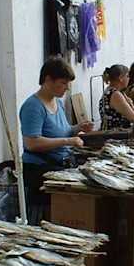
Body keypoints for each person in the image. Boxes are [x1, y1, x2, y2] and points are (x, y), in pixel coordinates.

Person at [20, 57, 93, 206]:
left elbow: (62, 131)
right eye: (63, 83)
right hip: (40, 169)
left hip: (60, 162)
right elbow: (32, 143)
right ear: (48, 80)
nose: (67, 88)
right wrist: (68, 141)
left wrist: (78, 128)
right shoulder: (33, 106)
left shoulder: (57, 101)